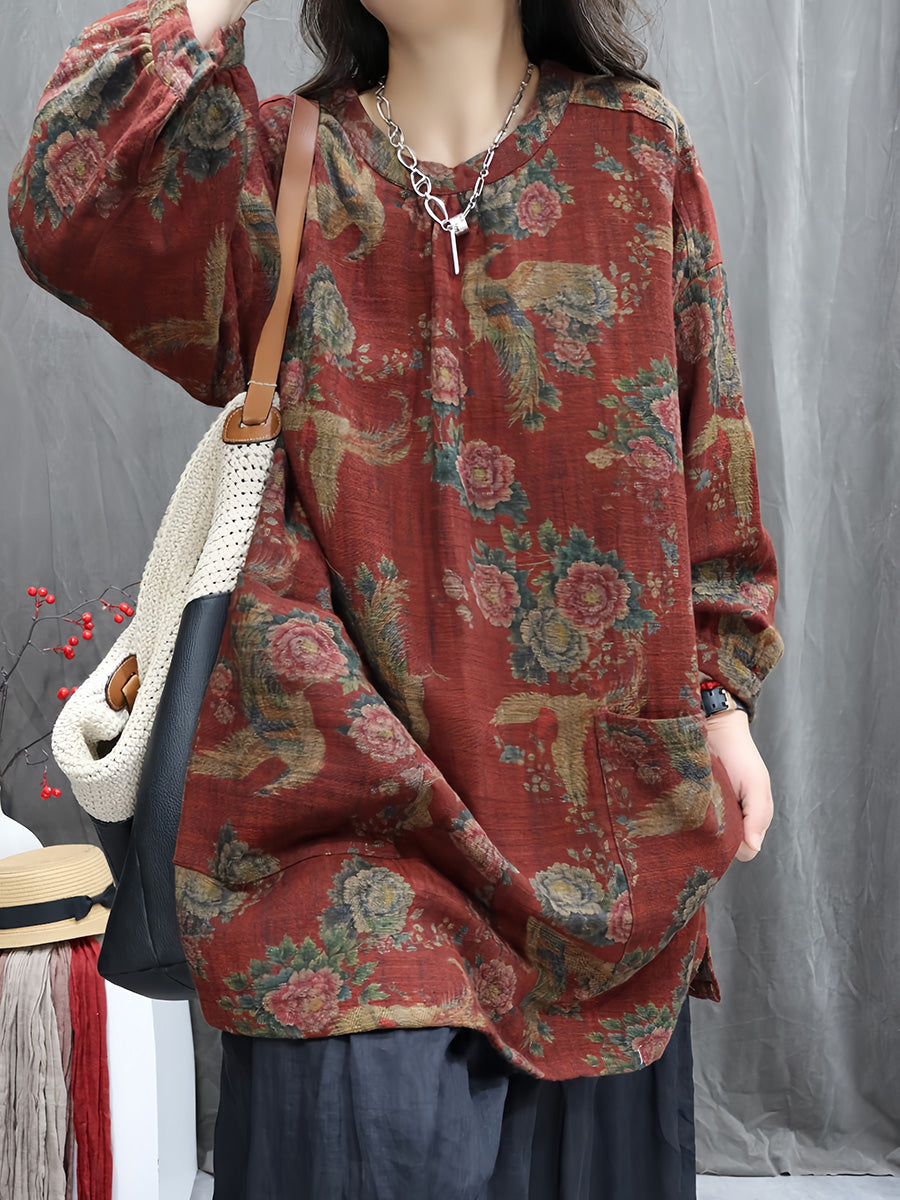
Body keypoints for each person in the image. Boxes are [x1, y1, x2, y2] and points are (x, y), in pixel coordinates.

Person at [9, 0, 784, 1196]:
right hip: (337, 817)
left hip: (597, 831)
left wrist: (721, 699)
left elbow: (706, 441)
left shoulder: (637, 147)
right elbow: (67, 201)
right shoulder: (276, 168)